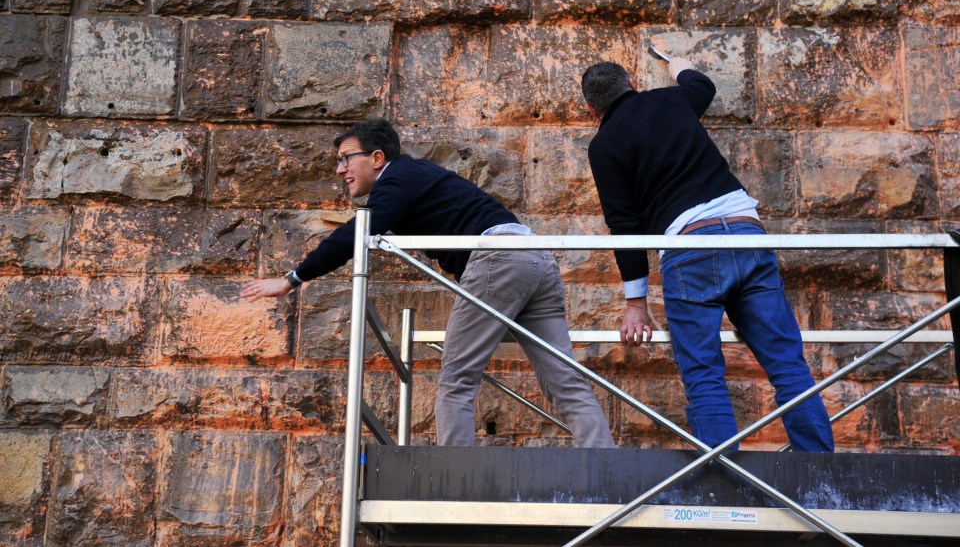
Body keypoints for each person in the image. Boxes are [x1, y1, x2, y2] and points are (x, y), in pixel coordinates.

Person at [241, 118, 615, 448]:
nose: (340, 170)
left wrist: (292, 279)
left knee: (456, 379)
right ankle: (608, 468)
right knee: (564, 380)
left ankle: (454, 484)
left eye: (346, 158)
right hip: (535, 258)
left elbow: (357, 232)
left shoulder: (398, 179)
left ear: (376, 158)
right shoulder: (417, 177)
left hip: (499, 259)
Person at [579, 58, 833, 452]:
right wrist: (680, 66)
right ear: (632, 81)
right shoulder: (671, 100)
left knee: (704, 374)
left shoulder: (604, 145)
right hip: (747, 235)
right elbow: (703, 87)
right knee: (787, 364)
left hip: (690, 247)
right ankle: (821, 475)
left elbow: (624, 224)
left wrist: (636, 302)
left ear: (591, 110)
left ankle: (723, 482)